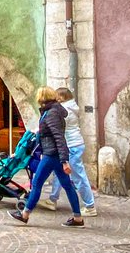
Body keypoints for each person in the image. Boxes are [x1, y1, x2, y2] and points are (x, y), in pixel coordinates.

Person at [8, 86, 85, 228]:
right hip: (52, 153)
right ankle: (78, 218)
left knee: (37, 183)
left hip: (52, 155)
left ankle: (25, 214)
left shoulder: (51, 113)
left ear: (42, 98)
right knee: (67, 186)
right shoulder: (52, 111)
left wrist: (64, 160)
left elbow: (58, 137)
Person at [39, 87, 97, 217]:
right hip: (73, 144)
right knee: (60, 173)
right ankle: (52, 199)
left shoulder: (64, 111)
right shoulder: (71, 107)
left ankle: (90, 205)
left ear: (60, 98)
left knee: (78, 177)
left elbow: (56, 128)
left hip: (71, 145)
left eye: (56, 96)